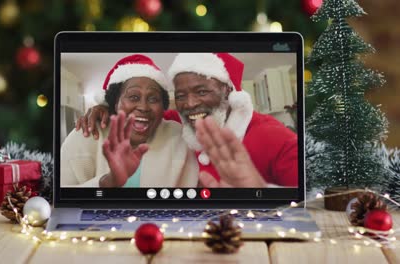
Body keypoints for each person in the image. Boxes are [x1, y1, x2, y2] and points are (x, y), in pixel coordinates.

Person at [76, 53, 298, 188]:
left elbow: (303, 206)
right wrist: (107, 107)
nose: (190, 104)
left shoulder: (278, 138)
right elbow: (144, 116)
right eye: (181, 95)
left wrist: (258, 192)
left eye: (201, 91)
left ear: (228, 90)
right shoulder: (178, 124)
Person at [62, 54, 198, 187]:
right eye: (133, 97)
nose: (144, 107)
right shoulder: (86, 134)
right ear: (115, 103)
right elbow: (62, 200)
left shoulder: (181, 136)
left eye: (153, 99)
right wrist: (108, 182)